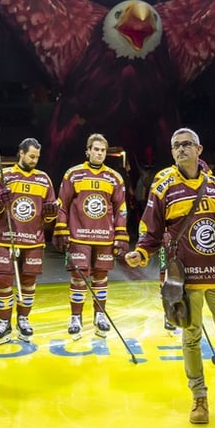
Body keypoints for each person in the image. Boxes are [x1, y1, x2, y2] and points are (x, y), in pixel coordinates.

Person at [124, 128, 215, 424]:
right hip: (187, 276)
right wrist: (141, 252)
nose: (181, 149)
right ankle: (199, 397)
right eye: (176, 146)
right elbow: (152, 228)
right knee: (192, 337)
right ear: (172, 152)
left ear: (199, 149)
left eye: (187, 144)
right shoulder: (163, 184)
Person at [50, 133, 128, 339]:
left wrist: (121, 235)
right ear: (88, 151)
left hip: (105, 238)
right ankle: (76, 317)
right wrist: (61, 230)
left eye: (103, 150)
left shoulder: (114, 178)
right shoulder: (73, 175)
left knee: (101, 278)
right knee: (78, 279)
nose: (100, 153)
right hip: (79, 237)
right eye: (96, 149)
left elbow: (121, 209)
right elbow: (62, 205)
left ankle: (99, 316)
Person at [0, 138, 58, 344]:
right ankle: (4, 323)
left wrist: (51, 212)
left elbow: (49, 214)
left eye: (37, 157)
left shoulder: (44, 179)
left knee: (28, 283)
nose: (35, 160)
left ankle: (23, 319)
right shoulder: (3, 176)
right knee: (2, 282)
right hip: (5, 239)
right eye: (31, 156)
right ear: (21, 153)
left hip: (33, 240)